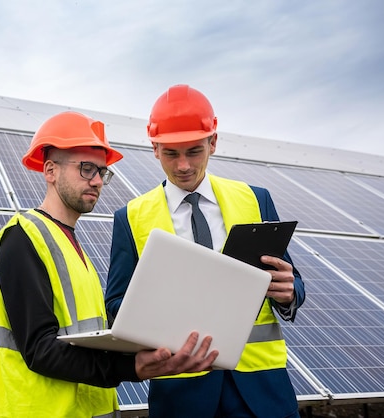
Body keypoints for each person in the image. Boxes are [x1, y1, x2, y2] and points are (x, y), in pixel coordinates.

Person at [0, 110, 219, 418]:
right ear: (50, 170)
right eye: (86, 169)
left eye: (102, 172)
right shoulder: (23, 237)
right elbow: (40, 350)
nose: (97, 181)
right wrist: (131, 366)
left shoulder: (71, 246)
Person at [105, 85, 305, 418]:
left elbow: (292, 282)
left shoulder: (256, 200)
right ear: (154, 148)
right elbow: (116, 306)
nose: (183, 165)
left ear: (213, 142)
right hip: (181, 395)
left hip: (262, 392)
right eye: (170, 153)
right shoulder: (130, 218)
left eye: (194, 151)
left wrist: (289, 292)